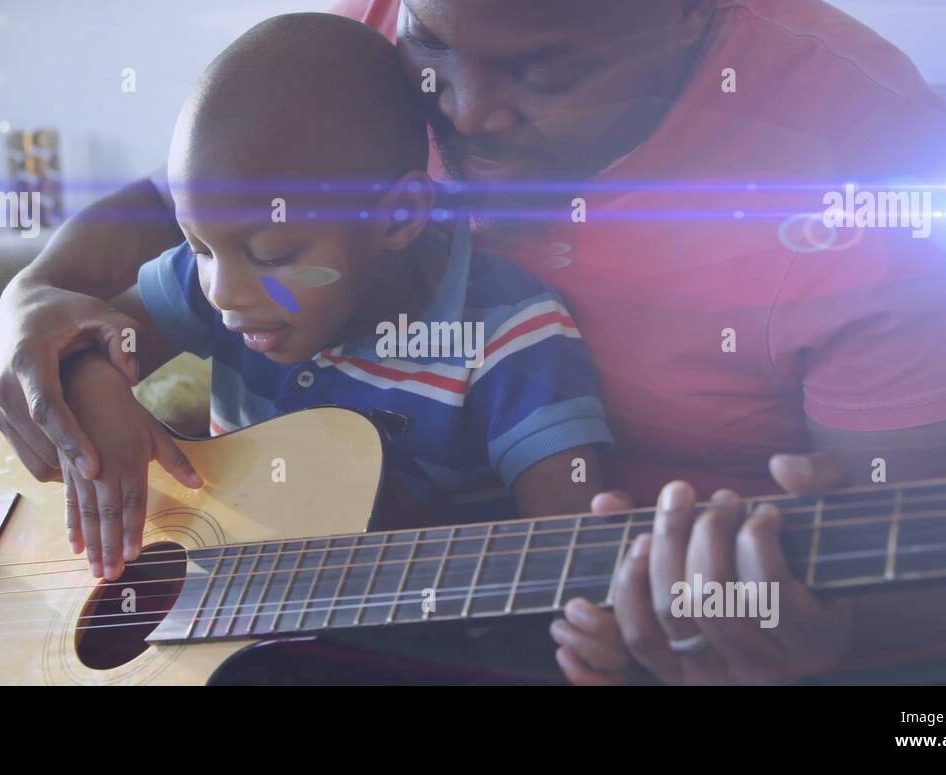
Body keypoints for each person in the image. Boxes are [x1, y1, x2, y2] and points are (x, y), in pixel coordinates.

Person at [0, 1, 946, 683]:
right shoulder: (375, 39)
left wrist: (822, 640)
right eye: (429, 49)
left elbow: (931, 572)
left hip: (557, 595)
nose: (460, 113)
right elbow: (199, 195)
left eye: (544, 69)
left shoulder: (876, 163)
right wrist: (36, 301)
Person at [47, 13, 612, 581]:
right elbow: (87, 344)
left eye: (271, 257)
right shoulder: (225, 279)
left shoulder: (511, 336)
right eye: (198, 246)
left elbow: (574, 548)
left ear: (397, 217)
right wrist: (95, 384)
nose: (222, 292)